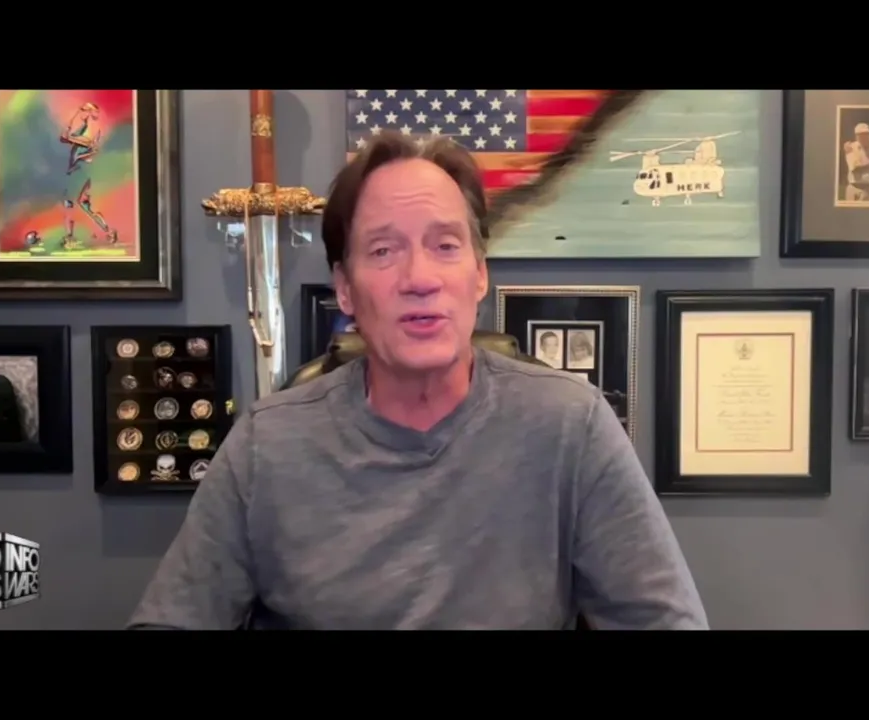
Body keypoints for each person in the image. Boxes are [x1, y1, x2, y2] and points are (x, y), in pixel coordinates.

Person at [128, 131, 708, 630]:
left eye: (445, 246)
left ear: (479, 275)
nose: (420, 278)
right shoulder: (267, 447)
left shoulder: (571, 428)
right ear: (346, 289)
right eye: (384, 250)